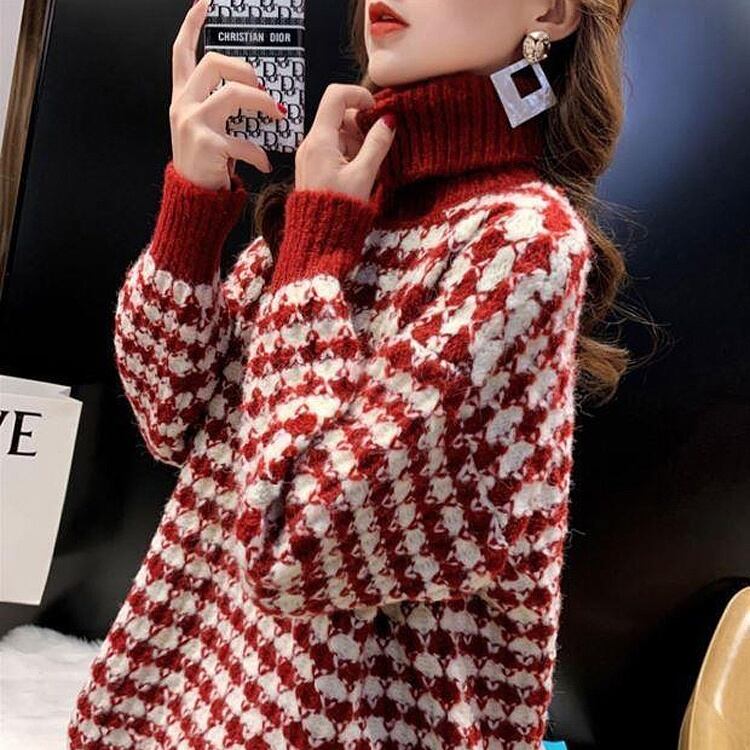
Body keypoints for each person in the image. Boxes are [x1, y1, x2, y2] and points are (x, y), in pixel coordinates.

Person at [67, 0, 634, 747]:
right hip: (179, 701)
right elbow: (171, 415)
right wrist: (193, 205)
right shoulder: (342, 198)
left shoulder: (522, 243)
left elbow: (294, 547)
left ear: (553, 11)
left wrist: (312, 256)